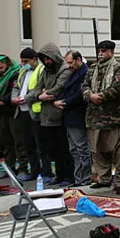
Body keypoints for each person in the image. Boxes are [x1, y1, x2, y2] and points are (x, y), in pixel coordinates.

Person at [82, 40, 120, 192]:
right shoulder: (92, 69)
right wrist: (90, 95)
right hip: (94, 118)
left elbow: (117, 89)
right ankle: (104, 178)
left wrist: (100, 96)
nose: (100, 54)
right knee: (97, 151)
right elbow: (84, 86)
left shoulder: (118, 69)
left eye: (104, 51)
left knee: (119, 152)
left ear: (111, 52)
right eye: (99, 51)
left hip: (114, 118)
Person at [33, 43, 74, 187]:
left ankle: (68, 176)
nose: (47, 62)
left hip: (59, 116)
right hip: (46, 116)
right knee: (53, 150)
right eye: (44, 59)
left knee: (64, 149)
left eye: (49, 59)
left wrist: (46, 92)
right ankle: (59, 175)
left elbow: (58, 89)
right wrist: (40, 95)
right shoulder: (45, 71)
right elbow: (36, 89)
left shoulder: (65, 70)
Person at [12, 48, 51, 182]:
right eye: (22, 61)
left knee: (41, 145)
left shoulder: (41, 70)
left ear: (34, 60)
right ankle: (34, 171)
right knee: (28, 144)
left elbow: (38, 89)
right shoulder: (22, 71)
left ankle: (46, 172)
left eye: (26, 61)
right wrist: (14, 98)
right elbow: (16, 87)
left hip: (35, 112)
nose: (23, 63)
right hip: (21, 111)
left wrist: (27, 98)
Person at [0, 53, 28, 179]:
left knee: (18, 141)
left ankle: (23, 168)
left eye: (2, 66)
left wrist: (1, 101)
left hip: (12, 112)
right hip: (1, 113)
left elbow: (13, 92)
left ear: (7, 64)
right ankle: (10, 167)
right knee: (5, 142)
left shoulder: (15, 74)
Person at [56, 50, 92, 187]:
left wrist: (64, 102)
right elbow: (64, 90)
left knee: (81, 148)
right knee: (74, 150)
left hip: (77, 115)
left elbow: (80, 94)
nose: (68, 66)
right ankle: (78, 179)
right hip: (69, 116)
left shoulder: (85, 72)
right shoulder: (73, 73)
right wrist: (59, 100)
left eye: (70, 62)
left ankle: (85, 178)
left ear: (78, 60)